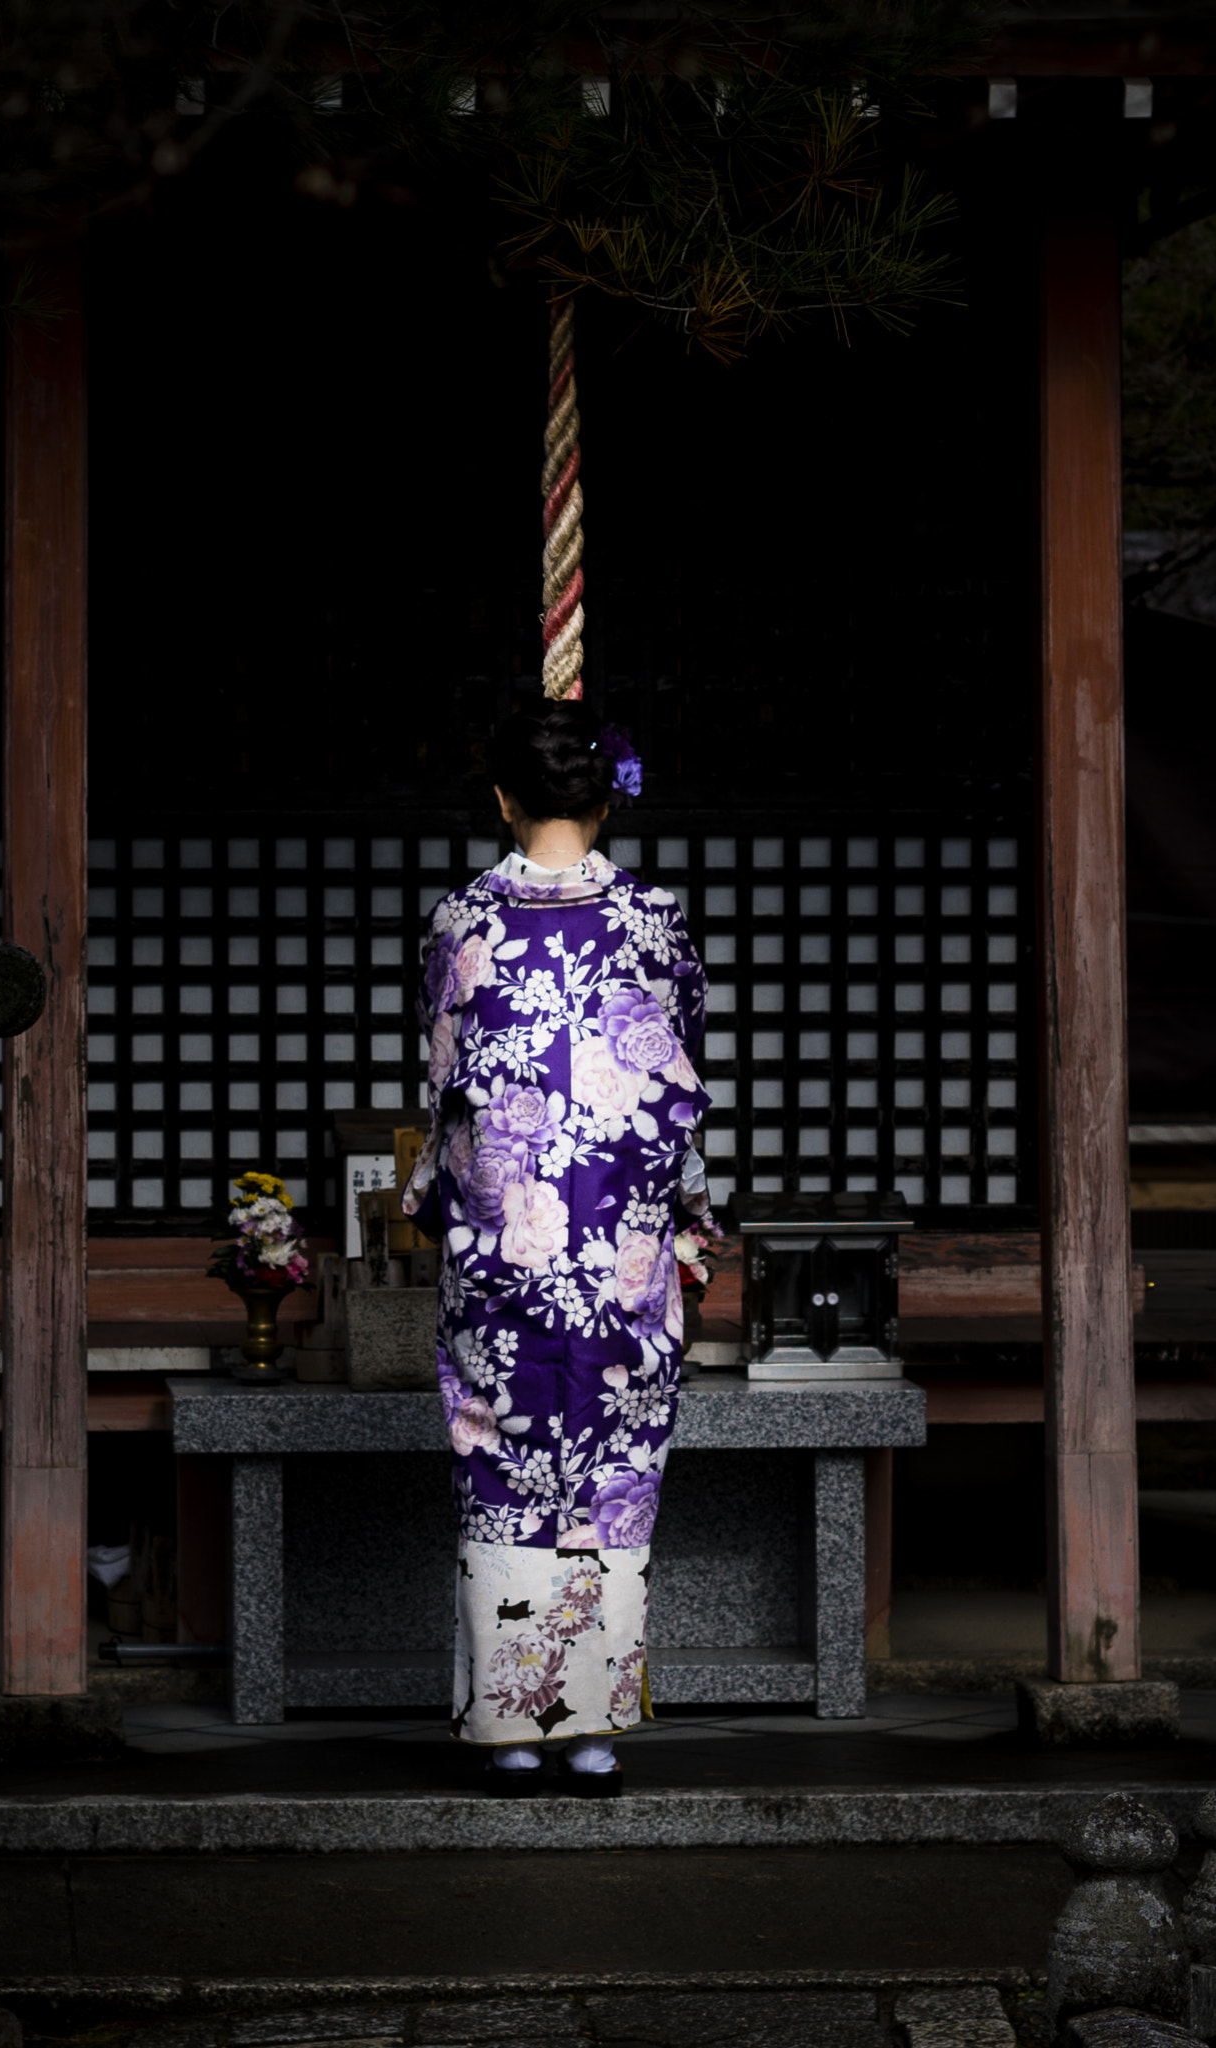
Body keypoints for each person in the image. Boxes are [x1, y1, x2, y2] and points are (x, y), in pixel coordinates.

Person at [403, 700, 715, 1795]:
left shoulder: (459, 922)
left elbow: (443, 1088)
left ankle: (511, 1726)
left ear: (501, 799)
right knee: (609, 1477)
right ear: (600, 798)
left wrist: (436, 1204)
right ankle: (590, 1732)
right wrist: (686, 1216)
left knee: (501, 1471)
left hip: (498, 1256)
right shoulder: (654, 918)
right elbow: (679, 1093)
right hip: (620, 1259)